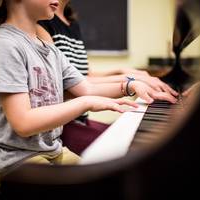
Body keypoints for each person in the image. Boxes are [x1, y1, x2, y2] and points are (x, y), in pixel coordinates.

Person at [0, 0, 177, 190]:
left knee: (111, 179)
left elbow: (86, 87)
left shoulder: (50, 49)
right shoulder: (5, 45)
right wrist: (85, 103)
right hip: (14, 164)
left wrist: (131, 85)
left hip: (52, 152)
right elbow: (23, 123)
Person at [37, 0, 178, 155]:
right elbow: (66, 85)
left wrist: (124, 71)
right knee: (129, 148)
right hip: (64, 123)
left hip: (81, 119)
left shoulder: (71, 23)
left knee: (136, 136)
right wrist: (129, 81)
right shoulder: (42, 22)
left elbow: (85, 74)